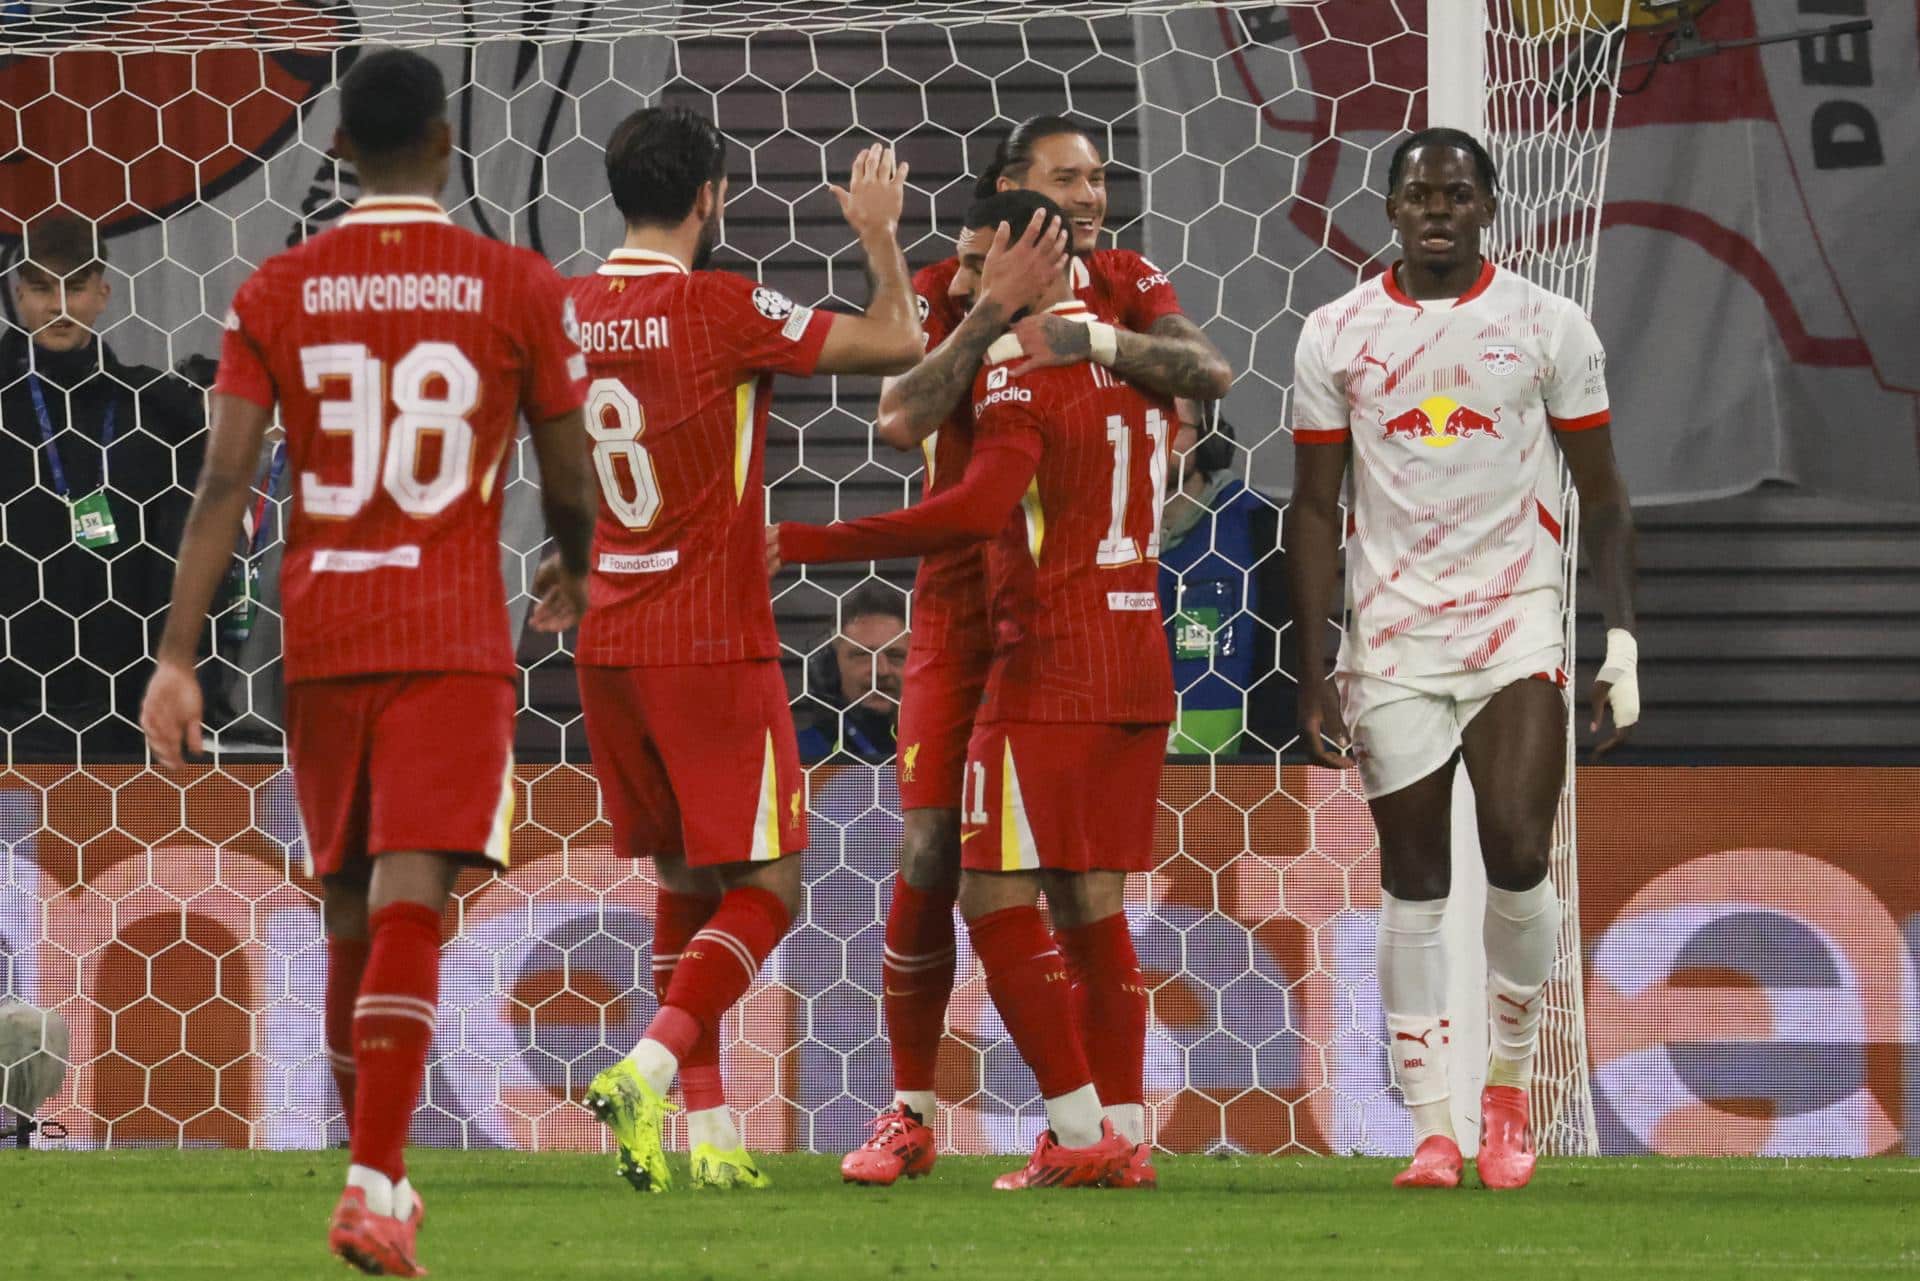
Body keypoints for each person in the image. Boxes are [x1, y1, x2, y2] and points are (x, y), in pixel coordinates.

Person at [139, 48, 595, 1275]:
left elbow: (225, 484)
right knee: (411, 901)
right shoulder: (516, 283)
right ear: (447, 145)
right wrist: (578, 567)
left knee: (350, 904)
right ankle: (375, 1180)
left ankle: (374, 1176)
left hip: (318, 634)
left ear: (337, 150)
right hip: (447, 636)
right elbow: (565, 474)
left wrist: (178, 657)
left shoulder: (275, 288)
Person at [841, 112, 1231, 1188]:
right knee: (930, 857)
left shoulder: (1126, 278)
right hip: (960, 606)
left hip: (1061, 608)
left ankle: (1106, 1128)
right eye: (1069, 179)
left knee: (1072, 889)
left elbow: (1205, 368)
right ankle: (910, 1112)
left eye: (1101, 177)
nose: (1093, 196)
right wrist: (982, 306)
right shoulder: (946, 281)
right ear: (1013, 187)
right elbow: (904, 413)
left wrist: (1095, 340)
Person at [774, 188, 1175, 1190]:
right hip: (1130, 649)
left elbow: (973, 505)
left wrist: (805, 543)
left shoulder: (1023, 366)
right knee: (1065, 890)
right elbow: (908, 416)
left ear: (1030, 258)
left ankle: (1084, 1132)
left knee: (997, 892)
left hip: (1042, 654)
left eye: (974, 262)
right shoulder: (1126, 355)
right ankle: (1101, 1134)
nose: (956, 280)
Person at [561, 107, 921, 1194]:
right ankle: (651, 1066)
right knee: (769, 883)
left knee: (683, 876)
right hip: (708, 637)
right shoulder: (719, 306)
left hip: (608, 636)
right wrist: (878, 234)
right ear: (711, 196)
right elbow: (894, 338)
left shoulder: (567, 309)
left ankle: (707, 1136)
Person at [1286, 126, 1639, 1192]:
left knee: (1522, 848)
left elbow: (1604, 494)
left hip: (1515, 619)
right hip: (1391, 636)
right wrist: (1313, 666)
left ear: (1487, 207)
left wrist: (1617, 638)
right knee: (1414, 876)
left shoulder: (1546, 325)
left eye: (1455, 193)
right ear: (1388, 209)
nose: (1436, 208)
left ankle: (1509, 1088)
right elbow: (1311, 508)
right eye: (1417, 193)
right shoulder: (1336, 334)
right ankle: (1433, 1128)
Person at [0, 216, 210, 760]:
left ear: (104, 292)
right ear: (18, 292)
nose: (57, 306)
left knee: (132, 846)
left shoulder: (152, 408)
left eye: (74, 287)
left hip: (126, 704)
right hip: (12, 704)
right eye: (42, 288)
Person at [1158, 416, 1293, 756]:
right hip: (1123, 774)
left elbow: (1284, 667)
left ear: (1209, 435)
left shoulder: (1259, 524)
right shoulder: (1095, 532)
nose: (1157, 434)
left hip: (1236, 780)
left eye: (1173, 422)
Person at [794, 581, 911, 764]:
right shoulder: (796, 758)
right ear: (831, 668)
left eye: (895, 656)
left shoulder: (940, 755)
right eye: (863, 655)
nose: (882, 671)